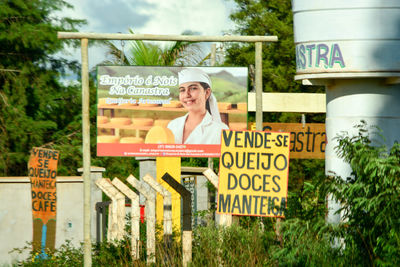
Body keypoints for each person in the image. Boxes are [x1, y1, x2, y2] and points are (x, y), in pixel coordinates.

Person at [167, 68, 229, 144]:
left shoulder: (220, 130)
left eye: (193, 88)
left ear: (207, 93)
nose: (187, 95)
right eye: (182, 90)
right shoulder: (172, 125)